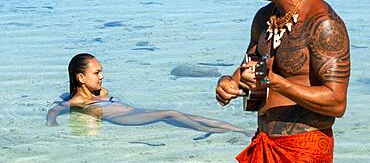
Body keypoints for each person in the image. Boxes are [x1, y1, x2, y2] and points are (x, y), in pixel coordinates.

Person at [215, 0, 350, 162]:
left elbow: (337, 103)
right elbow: (251, 67)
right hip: (263, 142)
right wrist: (228, 82)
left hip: (305, 149)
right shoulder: (264, 18)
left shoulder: (324, 25)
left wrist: (275, 83)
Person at [46, 53, 249, 140]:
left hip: (135, 111)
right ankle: (225, 131)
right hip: (127, 119)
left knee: (176, 113)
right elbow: (55, 111)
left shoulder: (101, 92)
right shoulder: (77, 102)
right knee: (170, 113)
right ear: (80, 77)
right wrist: (52, 124)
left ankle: (238, 130)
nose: (102, 76)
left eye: (101, 71)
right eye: (96, 73)